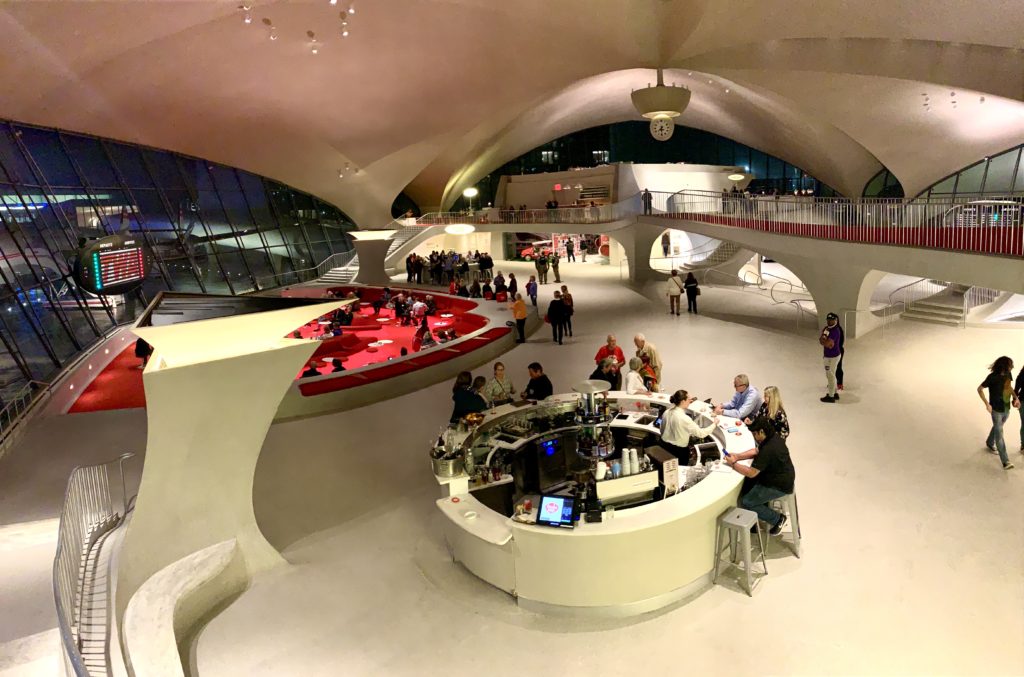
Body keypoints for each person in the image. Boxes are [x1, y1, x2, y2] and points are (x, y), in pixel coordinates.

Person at [725, 417, 795, 535]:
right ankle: (754, 522)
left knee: (747, 501)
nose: (753, 436)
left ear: (761, 432)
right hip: (781, 476)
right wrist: (737, 456)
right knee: (748, 487)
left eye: (754, 434)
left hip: (778, 485)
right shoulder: (772, 438)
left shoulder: (769, 449)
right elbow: (756, 451)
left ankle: (778, 519)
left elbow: (751, 473)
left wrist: (733, 463)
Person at [978, 356, 1018, 470]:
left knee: (997, 427)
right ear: (1004, 366)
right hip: (996, 410)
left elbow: (1009, 387)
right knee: (999, 435)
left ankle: (990, 442)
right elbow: (979, 389)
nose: (1012, 367)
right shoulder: (992, 377)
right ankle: (1006, 461)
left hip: (1006, 408)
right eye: (1010, 365)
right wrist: (987, 404)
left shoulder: (1008, 374)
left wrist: (1016, 398)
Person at [660, 389, 718, 460]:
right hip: (678, 452)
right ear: (683, 401)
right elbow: (701, 433)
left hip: (663, 446)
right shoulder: (685, 418)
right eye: (689, 399)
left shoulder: (666, 412)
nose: (690, 401)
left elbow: (661, 430)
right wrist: (714, 424)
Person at [819, 312, 844, 403]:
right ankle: (835, 392)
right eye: (828, 320)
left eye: (831, 320)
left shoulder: (836, 331)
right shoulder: (826, 329)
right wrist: (824, 341)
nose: (829, 321)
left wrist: (824, 341)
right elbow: (821, 340)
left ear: (835, 320)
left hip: (833, 357)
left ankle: (831, 396)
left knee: (830, 375)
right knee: (830, 374)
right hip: (827, 356)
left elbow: (829, 344)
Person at [833, 315, 846, 391]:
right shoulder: (828, 329)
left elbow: (841, 342)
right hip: (830, 352)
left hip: (838, 351)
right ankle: (832, 382)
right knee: (831, 368)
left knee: (838, 367)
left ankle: (840, 384)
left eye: (835, 320)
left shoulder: (839, 329)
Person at [1017, 367, 1024, 453]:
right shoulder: (1022, 376)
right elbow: (1015, 389)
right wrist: (1015, 400)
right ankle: (1023, 445)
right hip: (1023, 402)